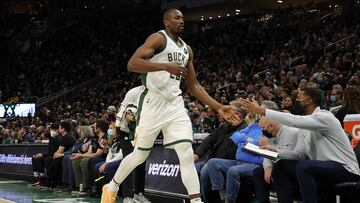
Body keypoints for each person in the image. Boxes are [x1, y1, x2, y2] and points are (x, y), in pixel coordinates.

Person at [101, 8, 239, 203]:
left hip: (175, 105)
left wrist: (218, 106)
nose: (181, 20)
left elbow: (194, 85)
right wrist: (164, 66)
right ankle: (112, 186)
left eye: (183, 18)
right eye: (177, 18)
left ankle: (196, 200)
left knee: (185, 152)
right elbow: (132, 64)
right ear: (167, 22)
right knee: (140, 155)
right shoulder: (159, 39)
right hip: (153, 103)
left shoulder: (186, 49)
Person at [238, 88, 360, 203]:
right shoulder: (305, 125)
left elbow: (293, 120)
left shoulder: (325, 117)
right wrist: (275, 151)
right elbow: (299, 154)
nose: (296, 101)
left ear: (309, 101)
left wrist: (262, 111)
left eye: (299, 98)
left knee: (304, 166)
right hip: (324, 168)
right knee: (281, 165)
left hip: (345, 169)